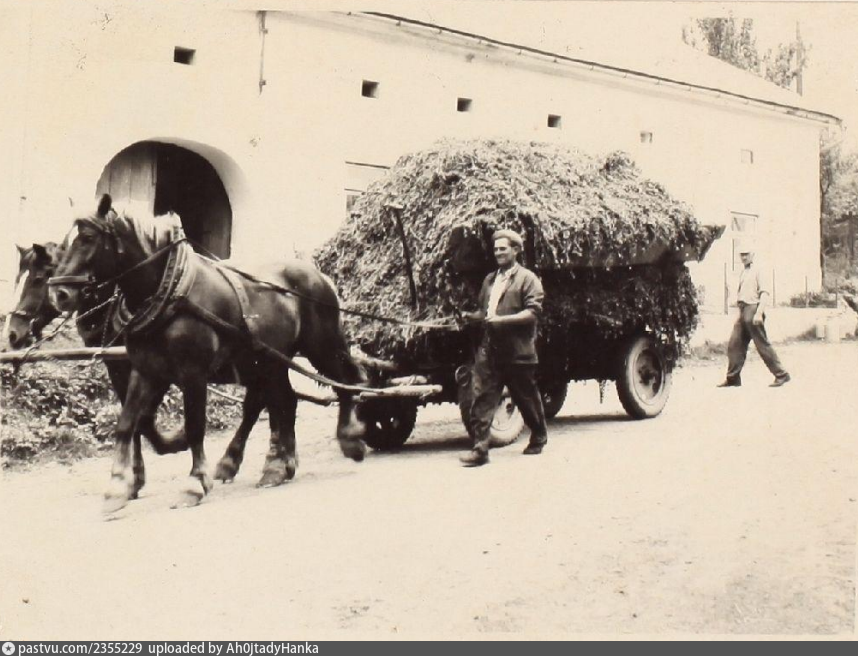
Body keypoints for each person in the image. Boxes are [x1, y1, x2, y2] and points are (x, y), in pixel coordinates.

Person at [458, 229, 549, 467]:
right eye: (496, 249)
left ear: (515, 250)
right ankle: (480, 449)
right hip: (490, 350)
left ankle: (539, 435)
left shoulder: (528, 279)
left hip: (518, 351)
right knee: (482, 397)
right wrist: (470, 317)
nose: (498, 253)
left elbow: (533, 313)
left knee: (525, 397)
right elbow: (484, 312)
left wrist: (501, 321)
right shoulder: (490, 280)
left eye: (503, 249)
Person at [718, 240, 790, 388]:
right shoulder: (744, 272)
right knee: (734, 344)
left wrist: (759, 313)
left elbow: (765, 293)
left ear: (753, 255)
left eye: (746, 254)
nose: (744, 257)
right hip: (743, 310)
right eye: (741, 255)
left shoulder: (759, 270)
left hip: (753, 310)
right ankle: (733, 378)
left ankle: (782, 374)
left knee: (762, 344)